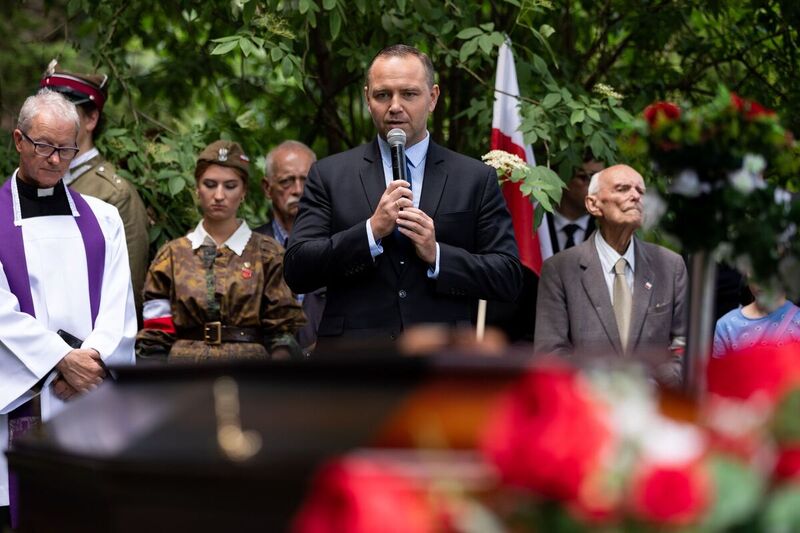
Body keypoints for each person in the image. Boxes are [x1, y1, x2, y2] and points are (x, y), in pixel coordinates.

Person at [284, 44, 522, 344]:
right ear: (367, 98)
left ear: (432, 98)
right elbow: (297, 269)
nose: (395, 106)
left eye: (409, 94)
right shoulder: (329, 174)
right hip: (353, 357)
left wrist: (437, 254)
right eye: (383, 95)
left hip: (441, 354)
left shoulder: (474, 177)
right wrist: (370, 232)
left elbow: (507, 277)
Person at [0, 89, 136, 523]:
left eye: (66, 149)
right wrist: (61, 361)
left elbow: (119, 306)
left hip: (86, 396)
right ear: (19, 140)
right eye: (44, 146)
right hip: (22, 397)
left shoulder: (103, 218)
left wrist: (91, 363)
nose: (56, 160)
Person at [136, 140, 306, 362]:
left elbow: (282, 334)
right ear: (197, 189)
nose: (218, 195)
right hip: (183, 373)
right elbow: (155, 337)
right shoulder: (171, 256)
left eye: (230, 186)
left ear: (244, 191)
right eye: (209, 184)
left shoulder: (268, 255)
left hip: (251, 373)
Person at [534, 164, 687, 382]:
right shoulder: (560, 269)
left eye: (640, 191)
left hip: (653, 398)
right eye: (622, 189)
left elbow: (684, 345)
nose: (635, 196)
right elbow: (550, 353)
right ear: (593, 204)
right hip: (587, 399)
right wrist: (603, 389)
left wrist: (652, 385)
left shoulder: (670, 266)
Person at [41, 61, 150, 323]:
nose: (52, 119)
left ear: (91, 119)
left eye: (64, 110)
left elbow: (128, 294)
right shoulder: (30, 182)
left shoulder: (114, 194)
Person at [487, 156, 604, 343]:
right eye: (584, 177)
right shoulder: (528, 226)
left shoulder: (607, 232)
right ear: (560, 177)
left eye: (599, 179)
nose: (593, 187)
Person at [254, 140, 325, 355]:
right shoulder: (248, 247)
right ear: (267, 188)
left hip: (327, 367)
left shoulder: (337, 243)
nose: (298, 190)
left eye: (306, 180)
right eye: (287, 181)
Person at [713, 281, 800, 357]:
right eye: (755, 272)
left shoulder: (797, 319)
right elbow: (720, 369)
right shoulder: (726, 325)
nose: (762, 281)